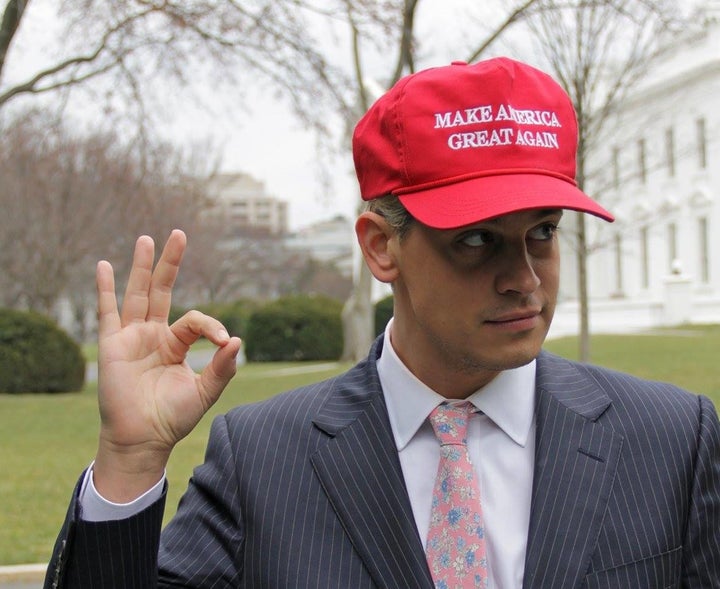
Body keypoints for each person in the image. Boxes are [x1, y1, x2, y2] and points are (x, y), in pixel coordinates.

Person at [45, 57, 719, 589]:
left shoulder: (669, 442)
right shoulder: (263, 461)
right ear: (380, 246)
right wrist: (130, 466)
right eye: (477, 240)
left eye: (541, 232)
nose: (525, 277)